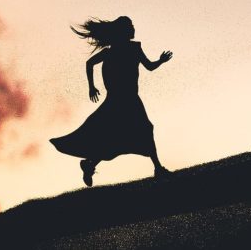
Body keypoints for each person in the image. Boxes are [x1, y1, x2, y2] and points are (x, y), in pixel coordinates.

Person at [50, 16, 173, 186]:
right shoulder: (112, 51)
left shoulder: (134, 48)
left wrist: (161, 60)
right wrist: (91, 87)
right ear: (123, 31)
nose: (133, 29)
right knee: (131, 132)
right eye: (130, 26)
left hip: (129, 98)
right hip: (118, 100)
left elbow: (150, 66)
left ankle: (90, 163)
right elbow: (89, 63)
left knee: (119, 136)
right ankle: (157, 168)